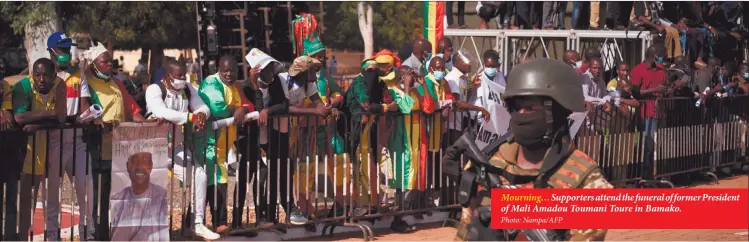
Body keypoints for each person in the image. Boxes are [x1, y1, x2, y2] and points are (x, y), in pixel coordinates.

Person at [443, 59, 613, 241]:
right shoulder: (491, 164)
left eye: (530, 108)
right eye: (516, 108)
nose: (521, 115)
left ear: (558, 111)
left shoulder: (588, 182)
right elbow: (464, 231)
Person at [144, 58, 216, 239]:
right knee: (150, 191)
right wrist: (191, 117)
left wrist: (200, 114)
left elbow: (203, 107)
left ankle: (197, 223)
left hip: (175, 147)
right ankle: (149, 231)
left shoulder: (187, 88)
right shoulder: (155, 89)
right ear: (168, 77)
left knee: (198, 174)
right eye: (178, 76)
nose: (183, 78)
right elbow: (162, 112)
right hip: (153, 150)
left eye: (184, 74)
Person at [83, 42, 147, 240]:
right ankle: (95, 235)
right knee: (97, 198)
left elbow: (133, 110)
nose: (110, 64)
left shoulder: (118, 83)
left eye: (111, 61)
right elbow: (85, 114)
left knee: (118, 197)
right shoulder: (87, 85)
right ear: (93, 65)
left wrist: (149, 125)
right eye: (105, 62)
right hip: (96, 148)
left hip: (120, 151)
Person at [255, 55, 329, 226]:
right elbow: (284, 107)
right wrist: (314, 113)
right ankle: (268, 216)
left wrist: (326, 108)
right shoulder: (281, 81)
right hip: (269, 129)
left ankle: (289, 208)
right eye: (313, 70)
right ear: (304, 71)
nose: (316, 73)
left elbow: (318, 102)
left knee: (287, 169)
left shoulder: (308, 83)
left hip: (286, 129)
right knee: (273, 172)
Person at [45, 31, 98, 240]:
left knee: (87, 187)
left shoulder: (78, 75)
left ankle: (88, 233)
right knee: (52, 193)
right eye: (62, 49)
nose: (66, 53)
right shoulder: (43, 77)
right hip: (52, 142)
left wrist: (90, 116)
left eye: (68, 49)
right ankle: (52, 235)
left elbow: (83, 104)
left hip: (77, 142)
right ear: (52, 52)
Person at [195, 55, 252, 234]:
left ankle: (197, 223)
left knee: (212, 181)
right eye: (225, 70)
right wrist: (238, 110)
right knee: (217, 179)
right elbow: (217, 108)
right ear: (218, 69)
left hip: (224, 145)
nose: (229, 74)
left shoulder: (234, 86)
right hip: (208, 142)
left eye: (232, 70)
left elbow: (248, 105)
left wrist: (243, 109)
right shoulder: (211, 83)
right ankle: (218, 222)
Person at [13, 58, 67, 241]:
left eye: (46, 75)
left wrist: (37, 124)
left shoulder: (60, 85)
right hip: (24, 154)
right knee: (24, 203)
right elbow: (19, 118)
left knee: (46, 200)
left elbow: (61, 118)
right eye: (37, 74)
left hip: (48, 150)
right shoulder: (23, 86)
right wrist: (51, 114)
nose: (41, 79)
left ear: (54, 75)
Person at [630, 44, 668, 181]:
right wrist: (652, 90)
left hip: (660, 113)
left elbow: (666, 89)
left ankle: (655, 175)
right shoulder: (638, 70)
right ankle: (643, 176)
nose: (663, 59)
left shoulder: (662, 70)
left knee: (658, 147)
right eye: (661, 56)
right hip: (645, 114)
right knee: (647, 146)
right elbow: (633, 93)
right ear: (654, 56)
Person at [110, 152, 169, 240]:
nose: (139, 166)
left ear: (151, 166)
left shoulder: (161, 195)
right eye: (134, 161)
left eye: (144, 160)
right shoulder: (118, 200)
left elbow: (163, 236)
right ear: (127, 167)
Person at [444, 50, 491, 144]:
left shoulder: (463, 78)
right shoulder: (453, 78)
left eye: (469, 61)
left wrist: (472, 85)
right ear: (457, 63)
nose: (469, 64)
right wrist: (480, 109)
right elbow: (458, 103)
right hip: (451, 125)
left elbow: (464, 99)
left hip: (458, 123)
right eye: (466, 61)